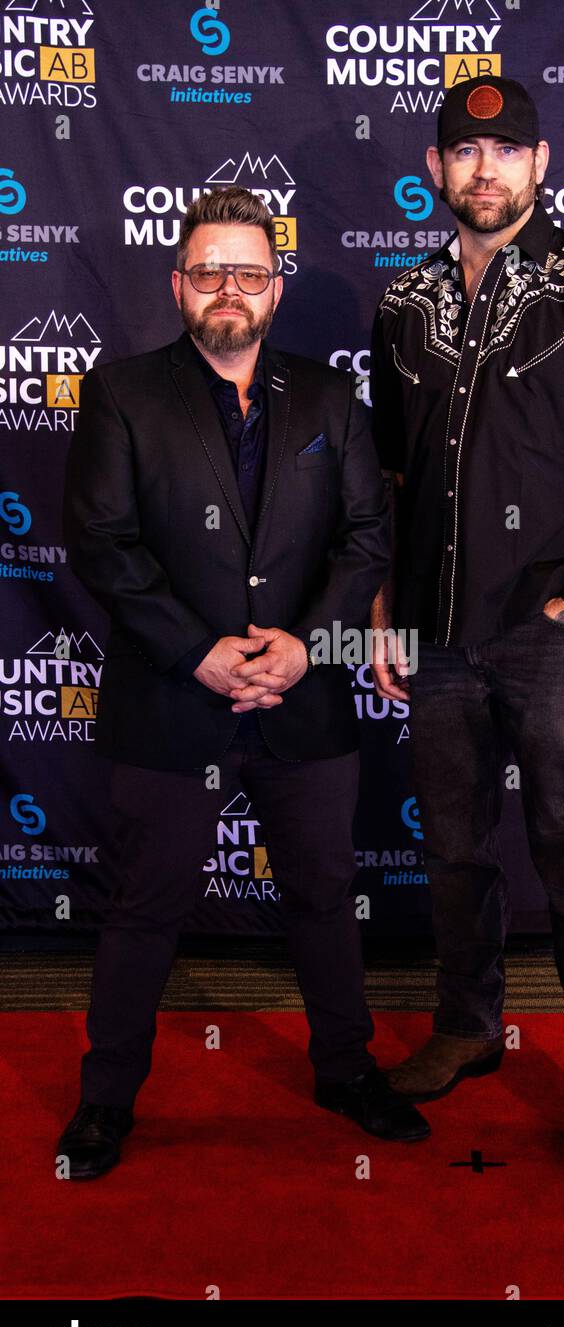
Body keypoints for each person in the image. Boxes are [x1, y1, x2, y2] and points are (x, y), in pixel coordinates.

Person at [59, 186, 429, 1179]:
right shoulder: (123, 392)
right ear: (179, 285)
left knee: (324, 891)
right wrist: (199, 651)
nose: (230, 287)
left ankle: (346, 1070)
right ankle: (105, 1101)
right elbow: (102, 543)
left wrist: (306, 646)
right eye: (210, 270)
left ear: (276, 286)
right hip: (170, 698)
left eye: (249, 271)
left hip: (303, 696)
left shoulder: (327, 398)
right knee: (144, 904)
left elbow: (364, 539)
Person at [369, 76, 564, 1203]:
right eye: (466, 152)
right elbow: (395, 477)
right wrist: (382, 610)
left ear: (541, 164)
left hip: (551, 634)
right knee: (453, 853)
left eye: (506, 151)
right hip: (440, 638)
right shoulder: (402, 301)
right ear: (436, 166)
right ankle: (469, 1027)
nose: (485, 170)